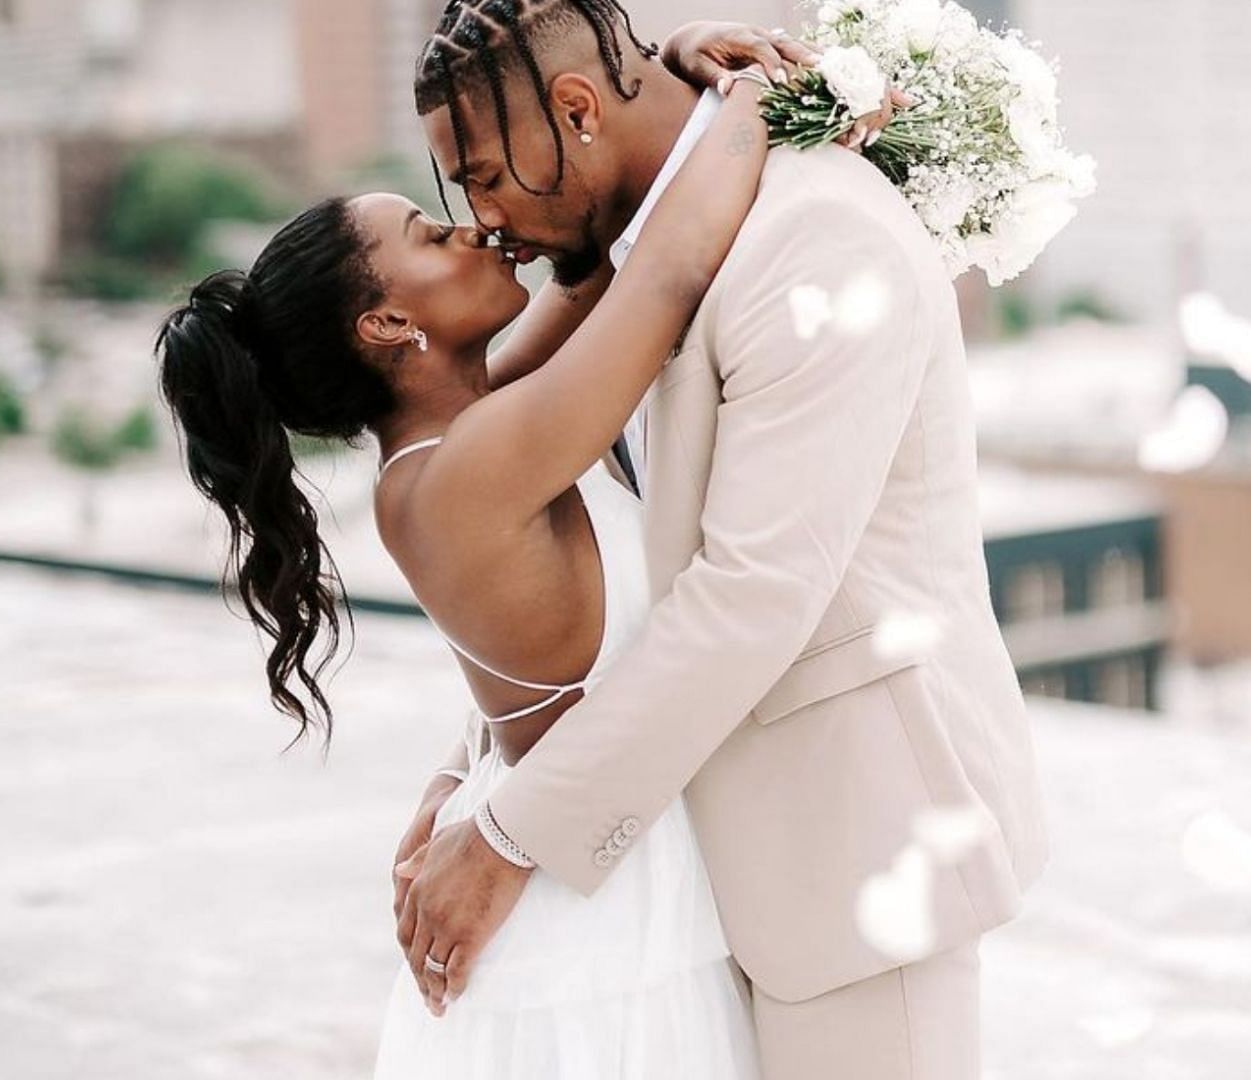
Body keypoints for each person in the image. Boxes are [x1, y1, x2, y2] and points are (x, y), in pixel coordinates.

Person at [154, 20, 850, 1077]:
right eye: (430, 238)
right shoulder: (462, 473)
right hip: (591, 913)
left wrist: (656, 69)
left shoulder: (467, 424)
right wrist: (756, 95)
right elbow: (659, 275)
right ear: (390, 328)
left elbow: (585, 273)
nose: (473, 230)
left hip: (606, 861)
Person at [396, 3, 1050, 1079]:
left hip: (856, 852)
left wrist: (511, 837)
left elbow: (754, 593)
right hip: (696, 870)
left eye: (479, 174)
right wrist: (472, 766)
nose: (478, 216)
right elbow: (614, 591)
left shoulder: (814, 237)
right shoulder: (628, 270)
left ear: (575, 109)